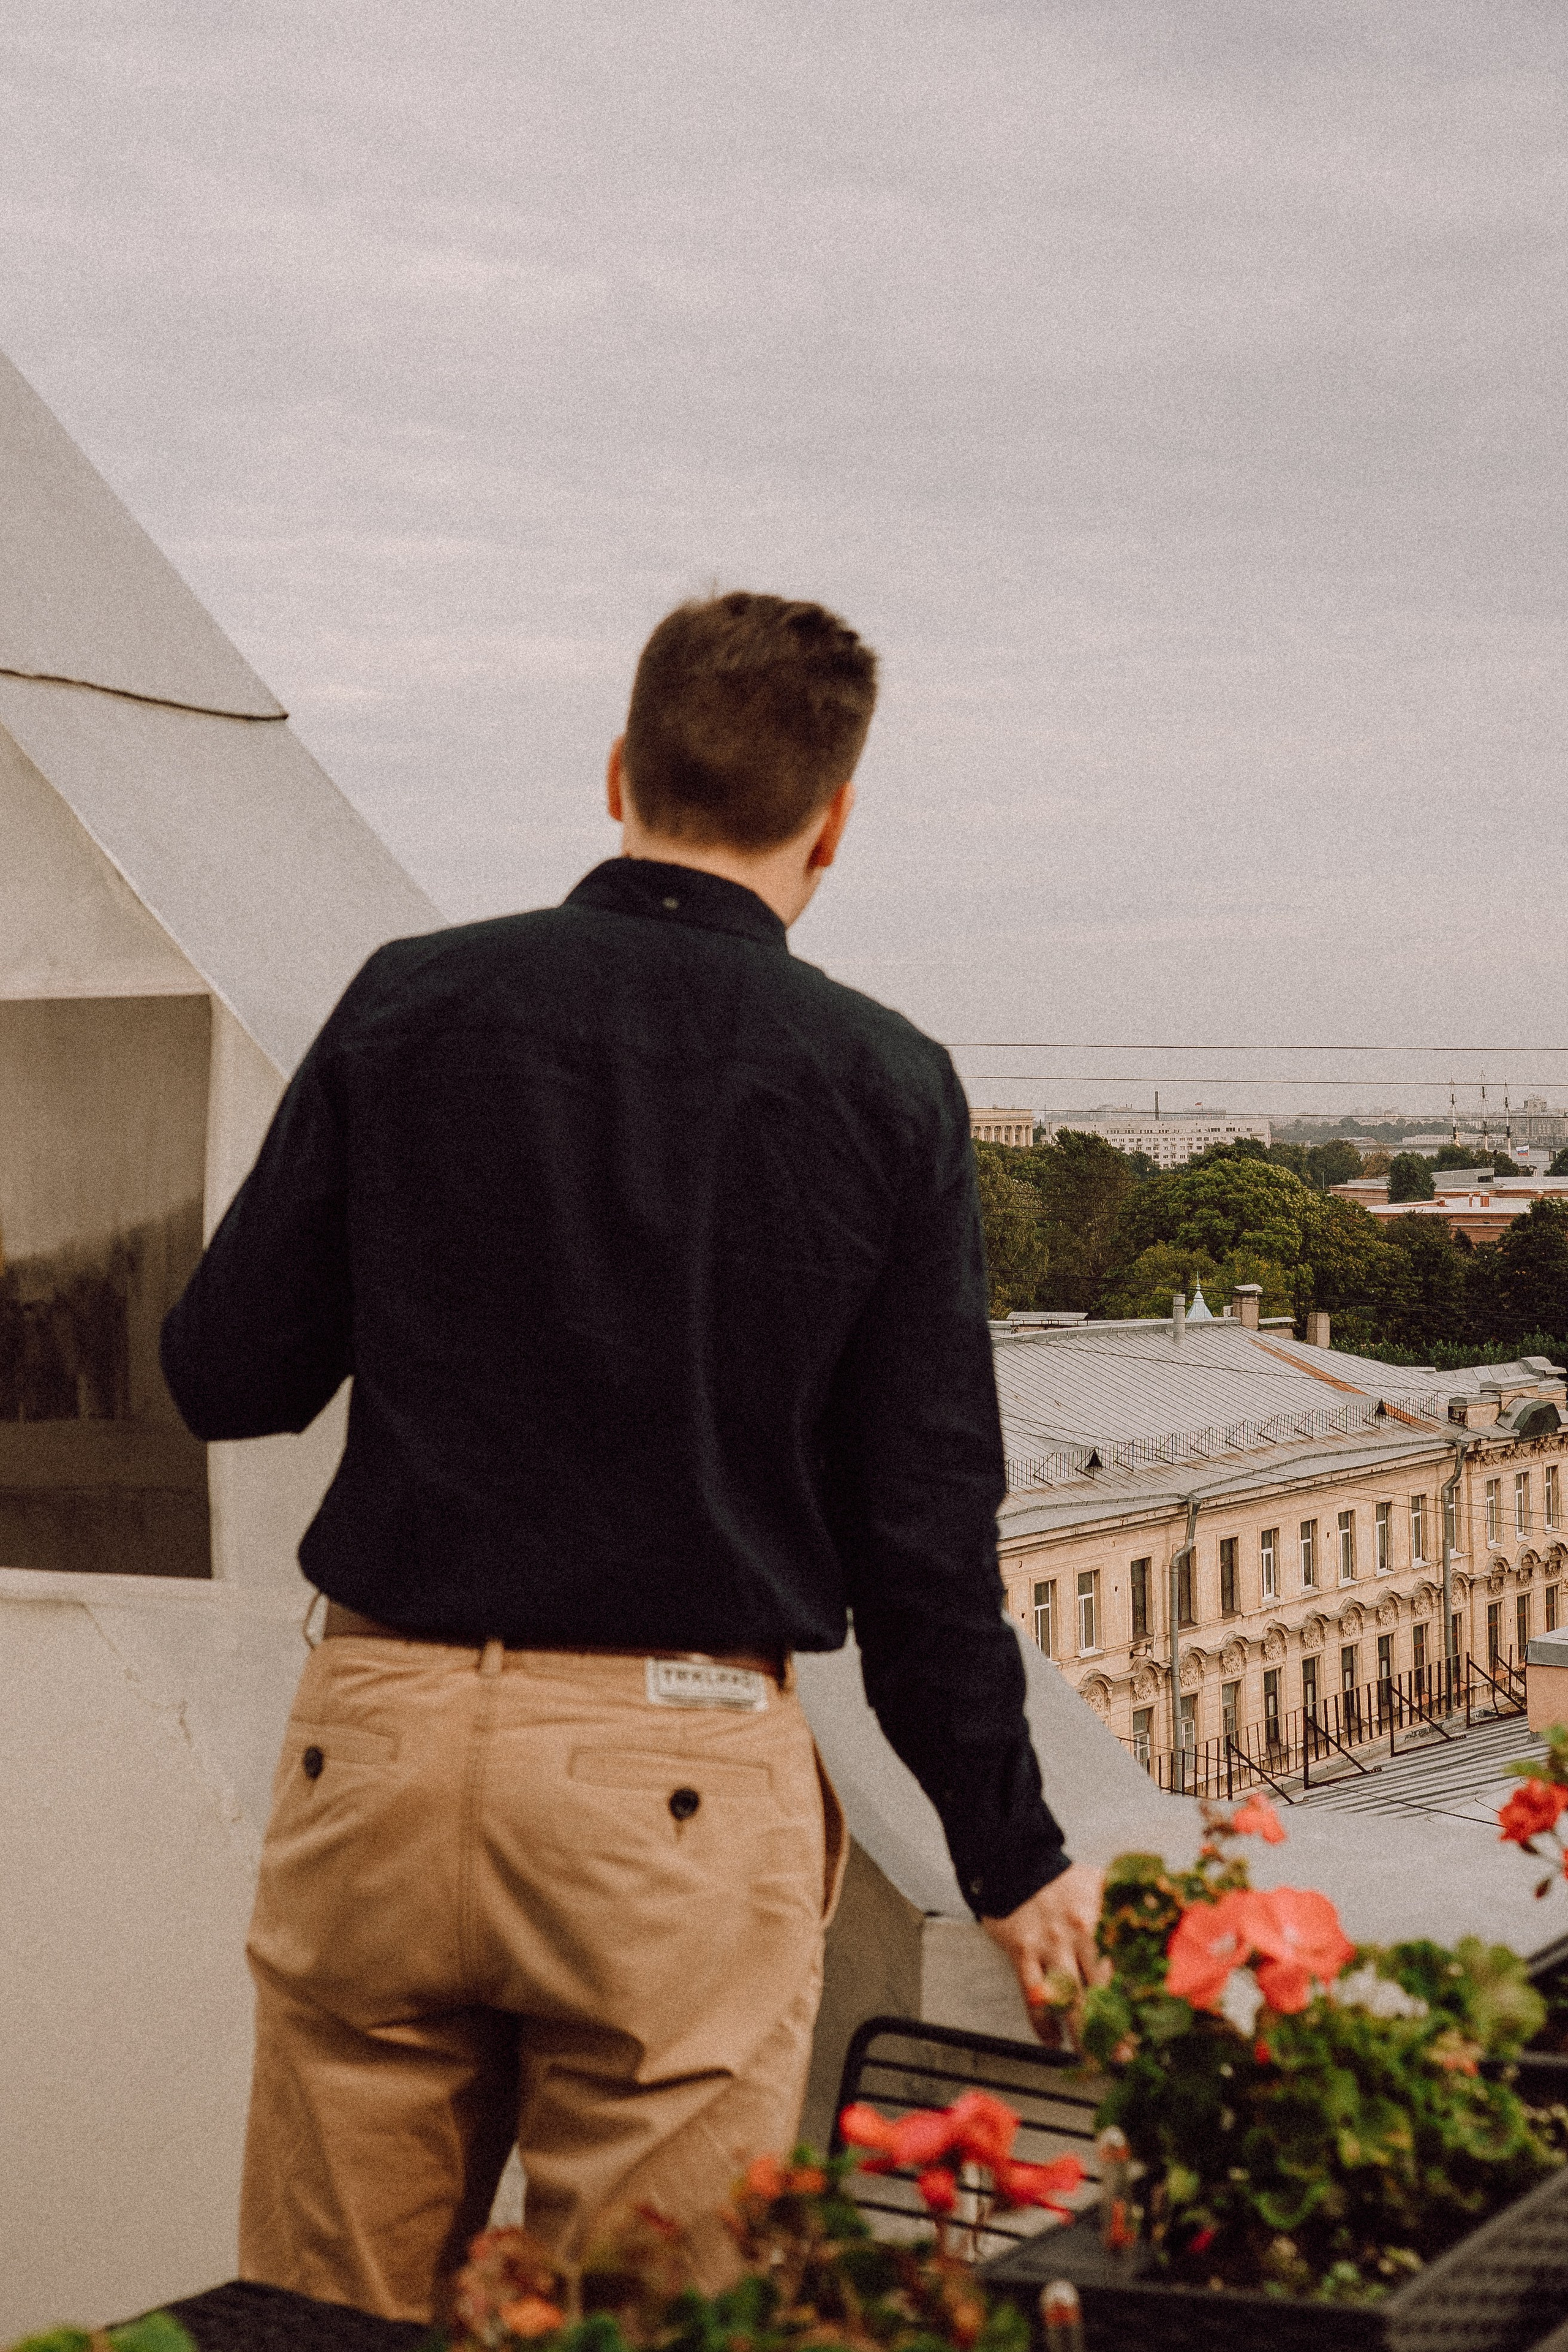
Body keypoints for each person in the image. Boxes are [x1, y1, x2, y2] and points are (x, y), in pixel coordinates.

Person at [160, 591, 1102, 2324]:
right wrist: (1015, 1856)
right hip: (673, 1783)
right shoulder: (885, 1083)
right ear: (833, 822)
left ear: (619, 772)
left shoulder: (411, 1005)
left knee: (322, 2323)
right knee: (656, 2321)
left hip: (381, 1748)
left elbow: (224, 1377)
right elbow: (920, 1544)